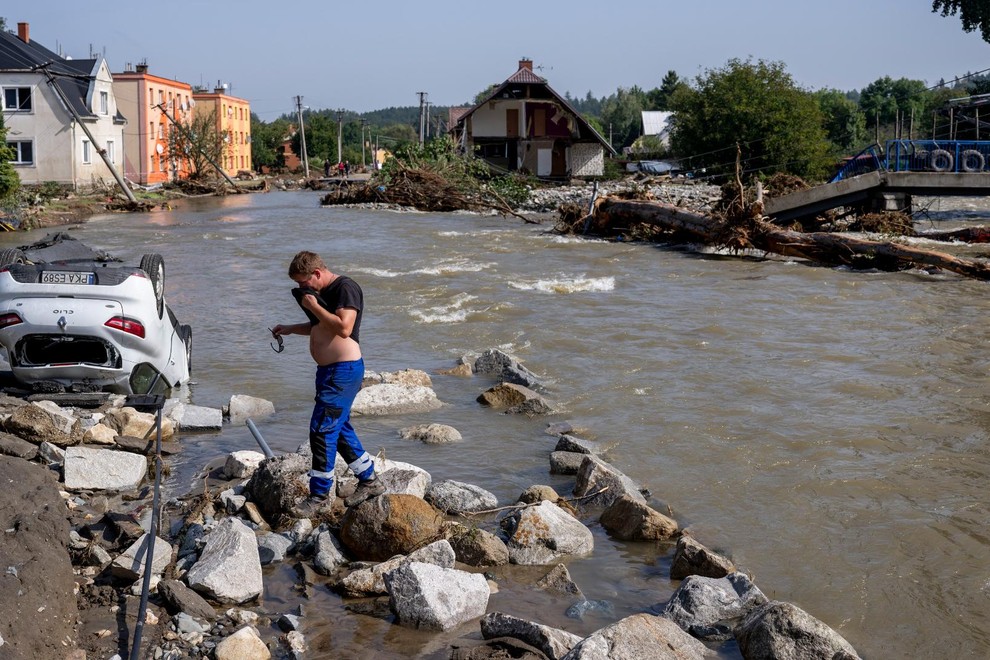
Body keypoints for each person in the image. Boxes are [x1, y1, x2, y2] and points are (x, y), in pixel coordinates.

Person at [272, 251, 384, 516]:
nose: (302, 289)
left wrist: (313, 306)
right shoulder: (321, 296)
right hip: (329, 372)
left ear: (318, 273)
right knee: (339, 428)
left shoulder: (346, 288)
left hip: (343, 372)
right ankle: (369, 480)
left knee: (321, 430)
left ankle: (320, 495)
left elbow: (344, 328)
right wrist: (290, 327)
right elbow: (320, 326)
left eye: (304, 283)